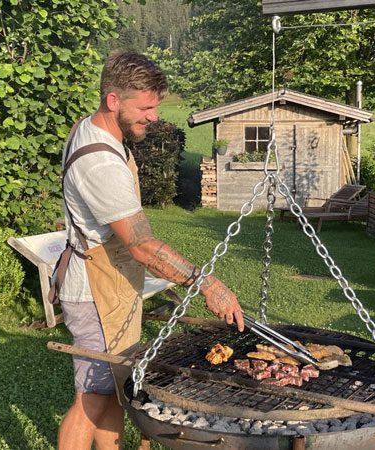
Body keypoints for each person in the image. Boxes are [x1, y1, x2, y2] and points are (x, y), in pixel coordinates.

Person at [52, 51, 245, 450]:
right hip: (95, 294)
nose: (154, 117)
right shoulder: (101, 164)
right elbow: (141, 246)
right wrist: (207, 284)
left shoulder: (90, 128)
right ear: (113, 100)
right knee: (91, 398)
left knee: (112, 392)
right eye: (145, 108)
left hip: (111, 286)